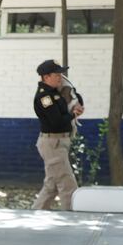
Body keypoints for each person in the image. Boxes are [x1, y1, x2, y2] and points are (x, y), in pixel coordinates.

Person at [32, 59, 84, 211]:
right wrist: (72, 114)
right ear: (46, 77)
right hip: (53, 144)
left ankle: (35, 215)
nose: (60, 77)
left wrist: (76, 105)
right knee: (68, 185)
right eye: (56, 75)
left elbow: (70, 101)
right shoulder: (44, 97)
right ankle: (71, 220)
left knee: (52, 185)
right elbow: (56, 122)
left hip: (58, 142)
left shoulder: (55, 92)